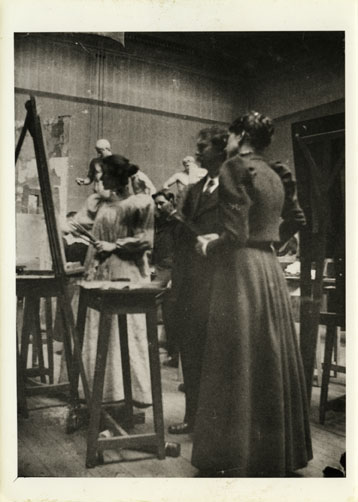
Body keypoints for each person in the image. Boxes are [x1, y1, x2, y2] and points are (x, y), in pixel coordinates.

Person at [192, 111, 312, 477]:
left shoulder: (234, 167)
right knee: (267, 356)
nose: (226, 143)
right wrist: (270, 237)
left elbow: (235, 236)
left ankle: (231, 455)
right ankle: (272, 454)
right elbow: (297, 221)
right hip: (269, 269)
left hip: (240, 271)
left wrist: (209, 245)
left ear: (240, 134)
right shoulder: (276, 172)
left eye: (230, 136)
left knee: (235, 356)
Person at [79, 154, 155, 404]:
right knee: (102, 335)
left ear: (117, 177)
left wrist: (115, 245)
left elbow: (145, 239)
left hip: (127, 275)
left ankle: (132, 396)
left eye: (103, 175)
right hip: (101, 274)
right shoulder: (103, 206)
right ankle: (104, 394)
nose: (99, 179)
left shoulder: (140, 204)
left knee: (127, 335)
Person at [167, 127, 228, 435]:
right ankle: (193, 417)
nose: (199, 151)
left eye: (203, 147)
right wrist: (174, 218)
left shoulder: (232, 186)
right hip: (191, 281)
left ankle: (217, 421)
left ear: (221, 149)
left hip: (220, 282)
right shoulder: (196, 187)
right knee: (191, 351)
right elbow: (181, 235)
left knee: (218, 354)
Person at [152, 190, 181, 368]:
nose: (158, 206)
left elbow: (181, 250)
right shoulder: (160, 222)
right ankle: (171, 353)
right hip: (159, 269)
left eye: (161, 203)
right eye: (156, 204)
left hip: (172, 272)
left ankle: (175, 355)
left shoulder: (178, 222)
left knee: (172, 315)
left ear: (171, 201)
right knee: (166, 314)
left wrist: (175, 276)